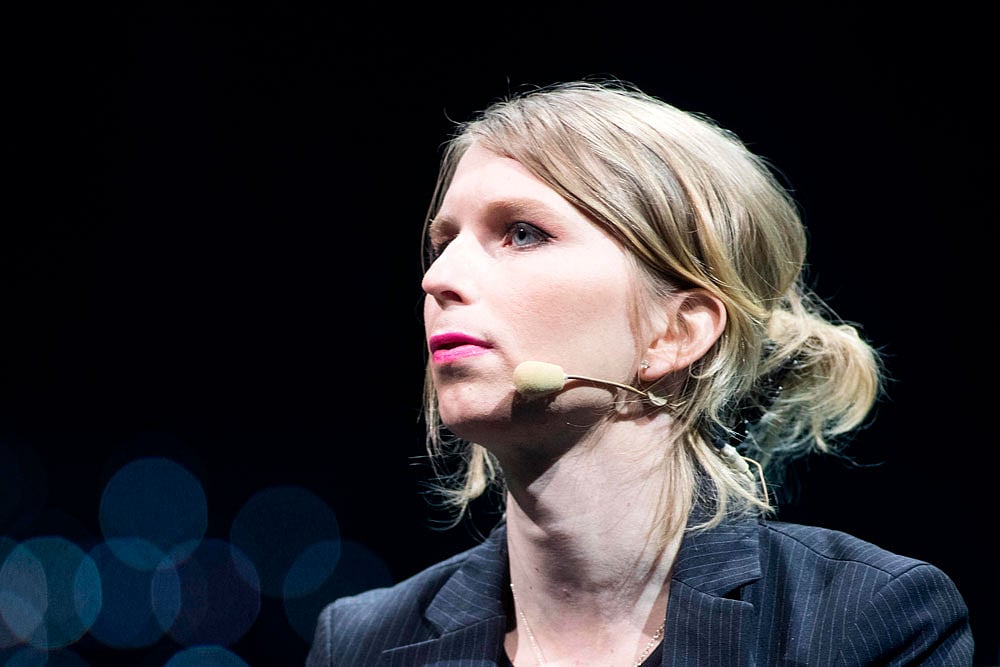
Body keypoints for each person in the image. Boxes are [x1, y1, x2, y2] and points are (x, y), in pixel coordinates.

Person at [306, 80, 974, 666]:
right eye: (443, 241)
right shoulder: (363, 641)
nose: (439, 277)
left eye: (522, 232)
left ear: (675, 330)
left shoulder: (866, 620)